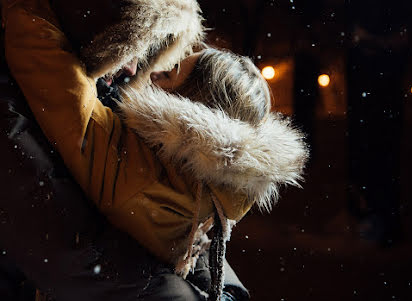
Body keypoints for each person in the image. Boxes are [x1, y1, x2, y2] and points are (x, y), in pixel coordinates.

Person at [3, 0, 308, 299]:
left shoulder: (128, 159)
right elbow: (194, 246)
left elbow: (56, 78)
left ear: (185, 110)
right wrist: (224, 291)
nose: (146, 72)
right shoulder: (203, 182)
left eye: (169, 73)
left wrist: (24, 7)